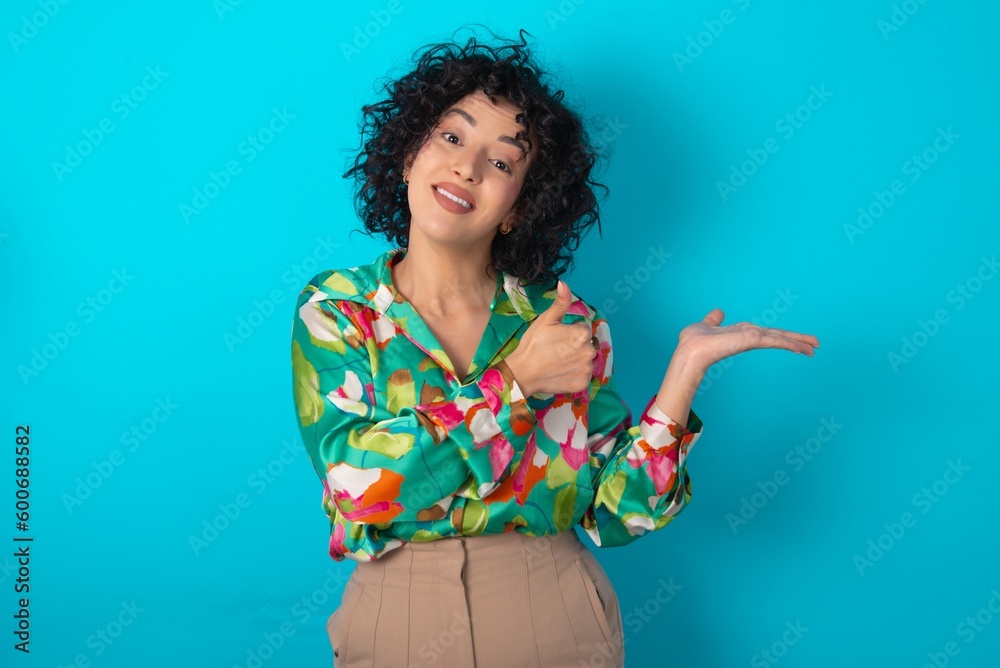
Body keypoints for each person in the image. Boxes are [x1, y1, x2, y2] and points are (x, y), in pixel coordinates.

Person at [289, 27, 820, 668]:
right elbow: (357, 486)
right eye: (452, 137)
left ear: (519, 205)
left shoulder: (569, 325)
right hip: (399, 610)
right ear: (408, 155)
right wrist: (513, 382)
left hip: (552, 607)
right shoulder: (338, 309)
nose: (468, 166)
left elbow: (617, 515)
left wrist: (683, 377)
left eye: (503, 161)